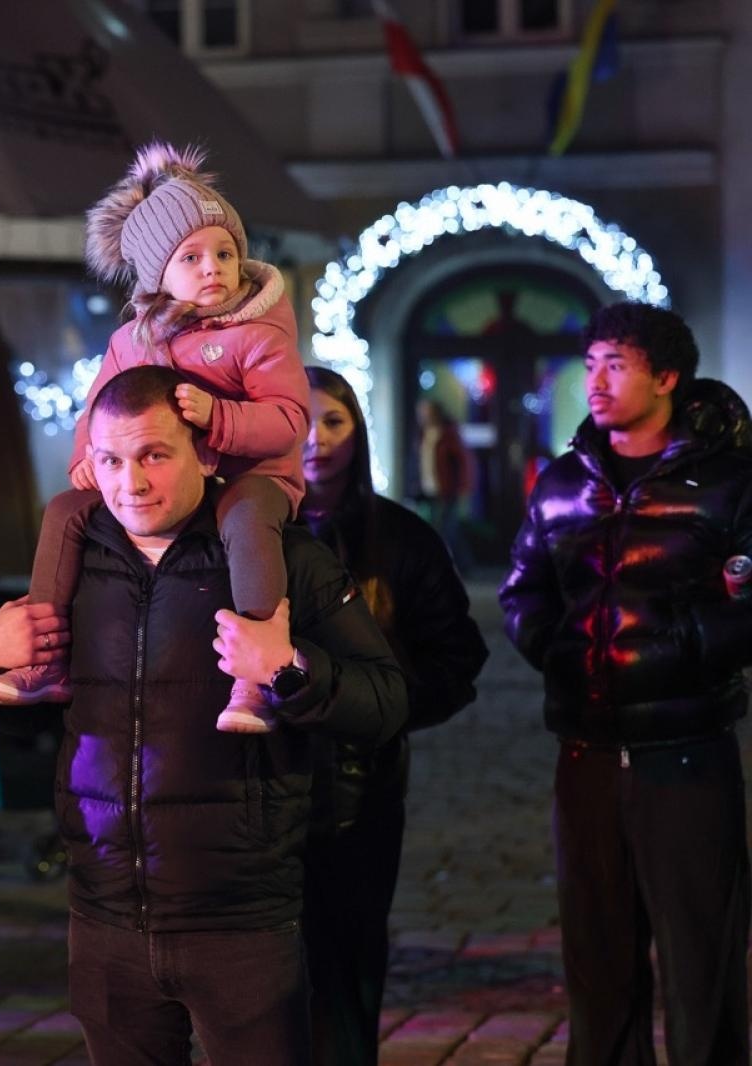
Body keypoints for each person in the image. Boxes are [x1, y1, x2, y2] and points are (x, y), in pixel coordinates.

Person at [0, 365, 407, 1066]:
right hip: (103, 916)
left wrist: (287, 669)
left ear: (206, 453)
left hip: (242, 920)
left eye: (154, 455)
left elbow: (386, 704)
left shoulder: (279, 560)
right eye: (109, 460)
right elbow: (30, 719)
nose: (130, 483)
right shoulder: (74, 565)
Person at [0, 142, 309, 735]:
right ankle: (45, 653)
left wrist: (219, 416)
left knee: (246, 518)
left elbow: (288, 419)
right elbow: (99, 405)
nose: (213, 267)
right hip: (165, 482)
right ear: (158, 273)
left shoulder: (256, 334)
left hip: (250, 475)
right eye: (192, 257)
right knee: (65, 510)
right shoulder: (132, 341)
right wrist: (88, 457)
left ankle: (255, 671)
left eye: (225, 253)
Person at [500, 302, 752, 1066]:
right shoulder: (564, 481)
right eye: (591, 365)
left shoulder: (729, 482)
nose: (597, 382)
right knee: (597, 953)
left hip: (686, 750)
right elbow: (523, 588)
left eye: (617, 364)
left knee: (699, 951)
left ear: (667, 376)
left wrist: (683, 646)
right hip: (585, 749)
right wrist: (563, 650)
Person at [298, 367, 488, 1066]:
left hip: (359, 790)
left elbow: (457, 656)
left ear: (361, 432)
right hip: (256, 787)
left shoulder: (400, 539)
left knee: (347, 968)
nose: (315, 440)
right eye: (300, 420)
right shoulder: (241, 530)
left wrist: (381, 709)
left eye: (335, 422)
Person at [413, 398, 471, 573]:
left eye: (426, 412)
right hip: (427, 488)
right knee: (438, 529)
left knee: (447, 529)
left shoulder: (448, 434)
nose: (423, 416)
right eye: (421, 413)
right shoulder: (421, 434)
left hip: (446, 489)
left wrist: (460, 486)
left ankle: (455, 566)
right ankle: (459, 565)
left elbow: (461, 462)